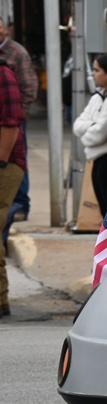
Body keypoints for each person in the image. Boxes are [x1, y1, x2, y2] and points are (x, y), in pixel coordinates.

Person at [72, 54, 107, 217]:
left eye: (96, 70)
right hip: (96, 158)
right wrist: (92, 126)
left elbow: (100, 133)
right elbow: (77, 124)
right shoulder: (97, 96)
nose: (92, 74)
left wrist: (86, 134)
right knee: (103, 209)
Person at [0, 17, 38, 227]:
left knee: (14, 162)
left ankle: (21, 204)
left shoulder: (16, 53)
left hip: (12, 118)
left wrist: (18, 115)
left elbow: (29, 86)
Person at [0, 57, 25, 316]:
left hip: (6, 163)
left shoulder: (3, 74)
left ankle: (1, 300)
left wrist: (1, 160)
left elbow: (11, 122)